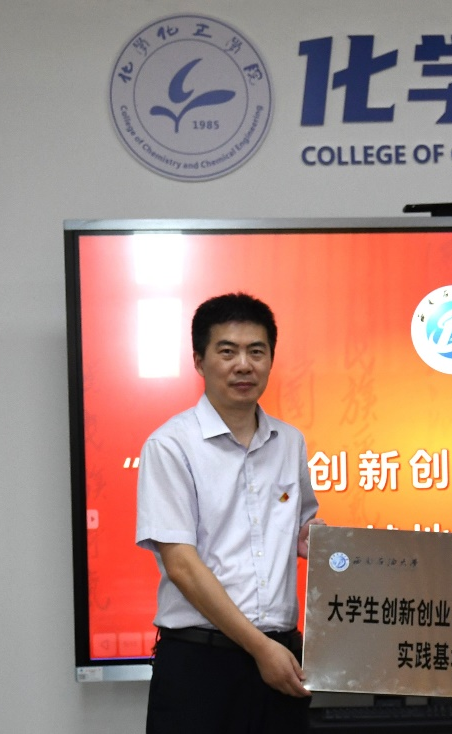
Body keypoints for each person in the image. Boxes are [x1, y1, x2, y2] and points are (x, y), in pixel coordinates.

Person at [136, 292, 320, 733]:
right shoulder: (170, 445)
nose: (244, 365)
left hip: (281, 655)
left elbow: (301, 528)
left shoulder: (290, 442)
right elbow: (182, 566)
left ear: (271, 360)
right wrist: (260, 649)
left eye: (256, 351)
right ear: (199, 361)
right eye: (227, 351)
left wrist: (322, 543)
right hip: (201, 665)